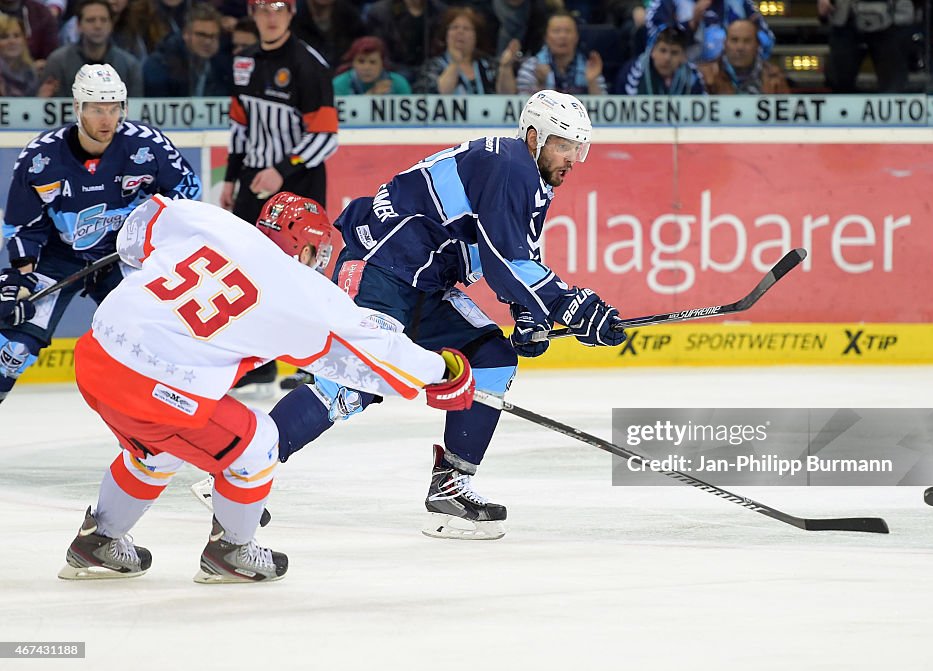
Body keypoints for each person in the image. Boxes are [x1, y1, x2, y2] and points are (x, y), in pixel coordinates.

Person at [57, 193, 476, 583]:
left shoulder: (214, 222)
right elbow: (372, 350)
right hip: (153, 388)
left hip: (95, 356)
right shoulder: (297, 290)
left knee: (158, 447)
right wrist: (440, 370)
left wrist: (144, 268)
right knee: (257, 443)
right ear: (308, 249)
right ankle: (232, 551)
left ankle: (98, 540)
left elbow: (143, 224)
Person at [265, 90, 627, 541]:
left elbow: (506, 256)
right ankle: (244, 465)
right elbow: (507, 262)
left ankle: (451, 491)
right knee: (353, 382)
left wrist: (530, 315)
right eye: (563, 145)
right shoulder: (513, 165)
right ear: (534, 137)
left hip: (423, 283)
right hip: (382, 268)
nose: (572, 158)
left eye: (578, 148)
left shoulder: (528, 176)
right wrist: (575, 306)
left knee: (492, 357)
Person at [0, 64, 200, 404]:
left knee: (153, 343)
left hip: (123, 253)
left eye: (113, 108)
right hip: (59, 256)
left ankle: (161, 430)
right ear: (77, 108)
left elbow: (187, 197)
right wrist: (21, 278)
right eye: (96, 109)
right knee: (14, 349)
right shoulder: (40, 158)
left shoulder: (147, 147)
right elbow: (23, 226)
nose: (106, 119)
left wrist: (155, 245)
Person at [222, 0, 339, 390]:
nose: (270, 16)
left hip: (299, 182)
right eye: (262, 8)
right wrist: (230, 178)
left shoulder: (309, 65)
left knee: (306, 273)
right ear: (252, 15)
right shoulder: (243, 62)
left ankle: (315, 361)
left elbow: (325, 138)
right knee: (246, 269)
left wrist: (282, 170)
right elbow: (240, 127)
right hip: (255, 182)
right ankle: (258, 361)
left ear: (291, 13)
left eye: (278, 7)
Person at [40, 0, 144, 97]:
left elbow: (136, 108)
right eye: (91, 20)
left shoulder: (130, 66)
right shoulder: (58, 62)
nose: (98, 26)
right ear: (78, 25)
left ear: (111, 25)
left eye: (103, 20)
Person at [143, 3, 232, 96]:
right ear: (186, 35)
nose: (208, 42)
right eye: (201, 35)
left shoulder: (224, 68)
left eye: (213, 36)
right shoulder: (161, 64)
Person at [645, 0, 774, 64]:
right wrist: (691, 25)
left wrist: (742, 37)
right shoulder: (666, 2)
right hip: (685, 78)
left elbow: (767, 40)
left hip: (732, 77)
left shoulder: (739, 3)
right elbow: (654, 41)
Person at [514, 11, 607, 95]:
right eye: (556, 31)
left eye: (568, 31)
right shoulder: (531, 66)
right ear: (546, 37)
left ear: (577, 37)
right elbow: (522, 106)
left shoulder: (589, 66)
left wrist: (592, 81)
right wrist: (541, 85)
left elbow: (603, 108)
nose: (563, 36)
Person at [415, 7, 499, 94]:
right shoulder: (432, 66)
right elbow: (440, 94)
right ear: (446, 35)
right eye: (454, 27)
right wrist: (455, 63)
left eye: (466, 28)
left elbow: (506, 94)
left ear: (476, 37)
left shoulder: (489, 65)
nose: (460, 32)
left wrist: (506, 67)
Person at [697, 19, 788, 93]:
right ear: (725, 44)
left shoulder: (774, 76)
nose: (740, 47)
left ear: (757, 45)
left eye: (747, 41)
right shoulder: (705, 75)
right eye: (734, 40)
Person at [615, 26, 706, 94]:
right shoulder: (632, 71)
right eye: (662, 50)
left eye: (674, 52)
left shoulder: (693, 75)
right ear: (652, 51)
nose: (667, 58)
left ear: (683, 57)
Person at [332, 35, 412, 95]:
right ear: (353, 63)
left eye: (373, 62)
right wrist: (369, 98)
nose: (366, 67)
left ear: (382, 64)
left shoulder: (399, 84)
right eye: (361, 61)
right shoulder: (339, 85)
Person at [0, 14, 48, 96]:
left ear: (24, 40)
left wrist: (41, 99)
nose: (12, 41)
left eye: (17, 36)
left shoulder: (33, 73)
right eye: (4, 37)